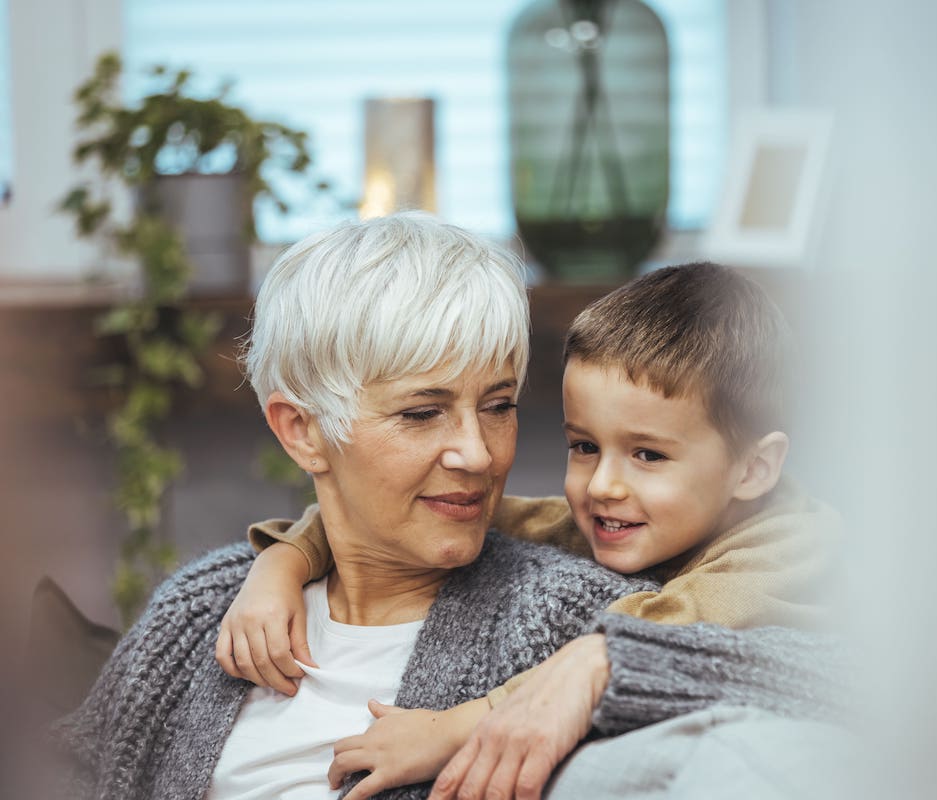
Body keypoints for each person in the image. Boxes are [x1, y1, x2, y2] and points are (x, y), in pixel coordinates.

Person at [49, 214, 841, 800]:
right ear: (302, 432)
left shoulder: (572, 614)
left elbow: (848, 691)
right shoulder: (204, 608)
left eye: (496, 405)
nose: (479, 454)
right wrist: (283, 558)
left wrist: (605, 662)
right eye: (422, 413)